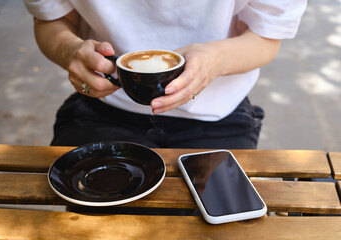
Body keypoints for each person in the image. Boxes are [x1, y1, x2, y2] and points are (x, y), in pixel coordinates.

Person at [23, 0, 307, 149]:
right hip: (104, 109)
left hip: (219, 115)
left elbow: (267, 36)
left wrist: (215, 60)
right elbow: (51, 19)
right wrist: (69, 50)